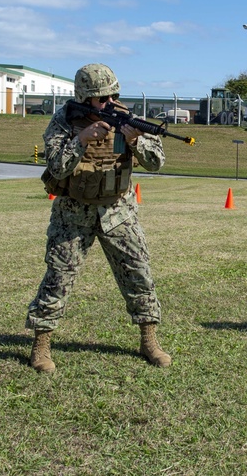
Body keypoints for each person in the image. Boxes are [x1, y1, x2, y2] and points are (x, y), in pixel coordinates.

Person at [26, 63, 171, 373]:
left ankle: (149, 341)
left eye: (112, 96)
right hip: (73, 213)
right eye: (100, 98)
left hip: (118, 211)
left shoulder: (127, 119)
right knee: (58, 277)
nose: (107, 102)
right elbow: (56, 167)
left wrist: (135, 141)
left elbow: (157, 162)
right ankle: (41, 345)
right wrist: (82, 140)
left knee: (138, 273)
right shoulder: (65, 120)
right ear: (84, 97)